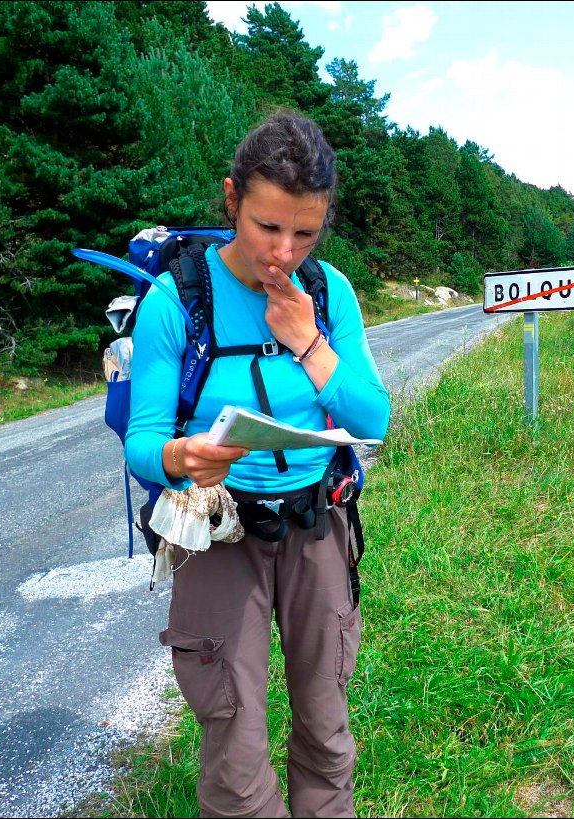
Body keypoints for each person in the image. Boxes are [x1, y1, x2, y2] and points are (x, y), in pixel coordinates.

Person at [124, 109, 391, 818]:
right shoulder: (176, 300)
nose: (285, 250)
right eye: (268, 226)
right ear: (231, 198)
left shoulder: (327, 293)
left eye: (305, 232)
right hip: (220, 532)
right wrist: (182, 456)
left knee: (327, 730)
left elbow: (374, 418)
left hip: (317, 523)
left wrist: (308, 342)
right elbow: (142, 440)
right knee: (236, 752)